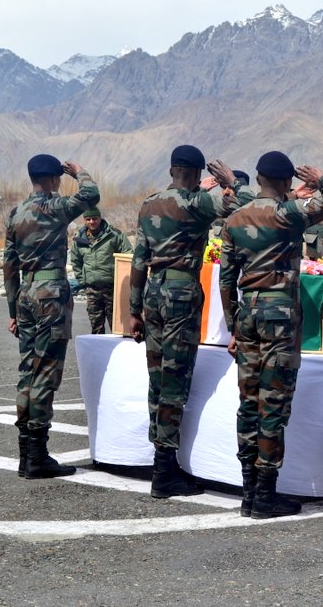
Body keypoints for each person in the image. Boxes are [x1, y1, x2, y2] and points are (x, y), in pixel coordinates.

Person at [219, 151, 323, 519]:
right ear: (286, 182)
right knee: (273, 401)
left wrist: (233, 327)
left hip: (248, 314)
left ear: (259, 178)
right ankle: (265, 494)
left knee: (249, 401)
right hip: (279, 312)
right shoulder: (287, 213)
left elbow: (226, 280)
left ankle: (248, 490)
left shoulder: (235, 219)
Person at [128, 145, 251, 499]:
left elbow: (139, 260)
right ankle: (165, 470)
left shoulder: (150, 203)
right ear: (198, 175)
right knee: (175, 380)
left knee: (157, 377)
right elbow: (246, 203)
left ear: (171, 171)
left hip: (153, 293)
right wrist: (231, 182)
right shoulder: (198, 204)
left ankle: (160, 461)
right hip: (182, 292)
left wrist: (134, 309)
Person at [3, 153, 98, 479]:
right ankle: (38, 457)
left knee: (28, 371)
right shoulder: (54, 208)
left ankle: (25, 454)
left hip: (26, 297)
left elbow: (10, 266)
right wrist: (80, 171)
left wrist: (13, 310)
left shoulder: (17, 214)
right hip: (50, 299)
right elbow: (90, 196)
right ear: (54, 179)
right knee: (45, 375)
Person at [69, 207, 133, 334]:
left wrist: (122, 281)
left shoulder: (114, 235)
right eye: (88, 219)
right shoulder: (79, 240)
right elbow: (76, 262)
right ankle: (98, 354)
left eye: (94, 218)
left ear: (100, 218)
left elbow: (128, 256)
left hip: (112, 289)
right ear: (84, 221)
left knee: (118, 329)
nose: (92, 222)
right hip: (92, 290)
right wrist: (83, 280)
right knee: (96, 329)